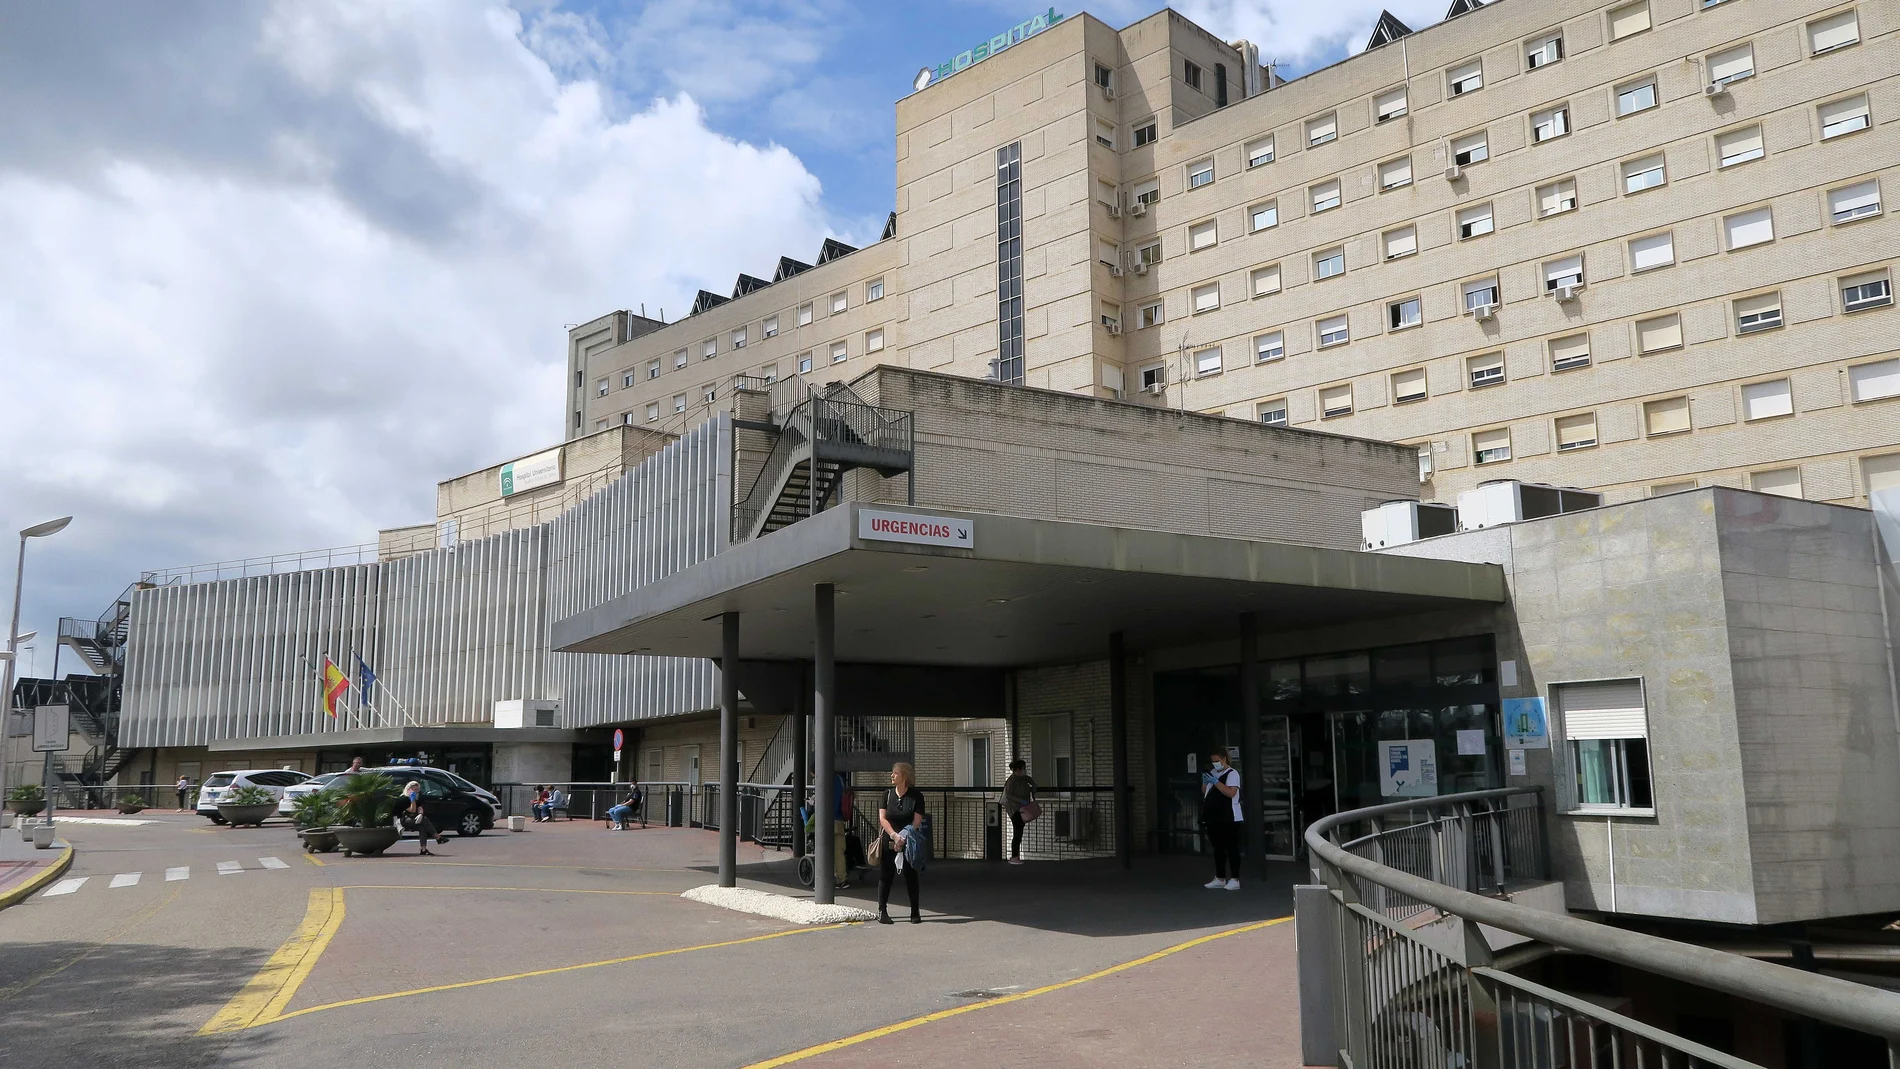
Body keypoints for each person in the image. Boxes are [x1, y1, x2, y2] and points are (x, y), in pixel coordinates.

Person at [877, 762, 927, 924]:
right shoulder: (887, 794)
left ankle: (915, 911)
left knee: (911, 875)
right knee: (886, 875)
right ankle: (882, 911)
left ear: (904, 776)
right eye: (892, 773)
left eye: (895, 773)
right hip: (889, 840)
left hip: (908, 840)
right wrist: (893, 836)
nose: (892, 775)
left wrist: (902, 837)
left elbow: (916, 822)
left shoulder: (916, 797)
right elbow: (882, 819)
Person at [1200, 749, 1243, 891]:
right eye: (1213, 761)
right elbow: (1205, 792)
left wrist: (1216, 782)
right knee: (1218, 849)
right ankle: (1220, 877)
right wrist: (1206, 782)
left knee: (1231, 848)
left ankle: (1235, 879)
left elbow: (1231, 792)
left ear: (1224, 759)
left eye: (1217, 760)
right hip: (1215, 817)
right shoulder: (1213, 772)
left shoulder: (1232, 774)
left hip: (1229, 817)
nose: (1215, 764)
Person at [1001, 759, 1036, 865]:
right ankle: (1014, 856)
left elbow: (1029, 780)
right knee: (1018, 832)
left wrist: (1033, 785)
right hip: (1015, 809)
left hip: (1020, 808)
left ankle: (1015, 856)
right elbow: (1009, 795)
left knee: (1019, 831)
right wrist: (1021, 800)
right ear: (1017, 769)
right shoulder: (1012, 780)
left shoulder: (1021, 778)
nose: (1024, 770)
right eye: (1022, 768)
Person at [401, 780, 448, 855]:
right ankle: (438, 837)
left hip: (414, 818)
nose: (417, 791)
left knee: (422, 827)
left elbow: (420, 808)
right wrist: (412, 799)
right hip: (405, 819)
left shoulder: (417, 797)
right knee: (424, 819)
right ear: (409, 789)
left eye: (418, 789)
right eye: (415, 789)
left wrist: (420, 814)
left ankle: (423, 849)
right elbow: (412, 810)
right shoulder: (404, 799)